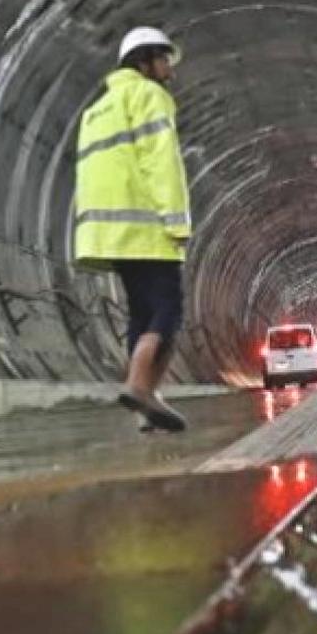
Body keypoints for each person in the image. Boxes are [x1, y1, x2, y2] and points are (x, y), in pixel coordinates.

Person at [74, 26, 192, 432]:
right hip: (147, 228)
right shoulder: (149, 96)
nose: (169, 72)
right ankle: (140, 387)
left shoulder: (97, 109)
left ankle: (146, 406)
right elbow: (162, 163)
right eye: (163, 61)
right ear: (144, 61)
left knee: (141, 313)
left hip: (110, 233)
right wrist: (177, 221)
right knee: (168, 309)